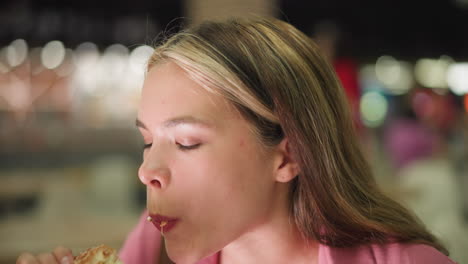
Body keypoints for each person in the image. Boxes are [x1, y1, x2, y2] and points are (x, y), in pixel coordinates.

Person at [17, 17, 456, 264]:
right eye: (148, 141)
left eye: (186, 142)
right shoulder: (149, 249)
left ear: (289, 154)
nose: (146, 171)